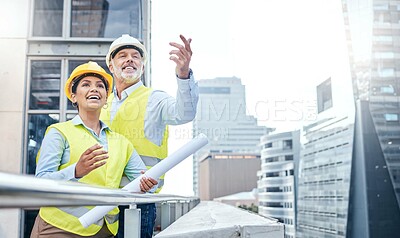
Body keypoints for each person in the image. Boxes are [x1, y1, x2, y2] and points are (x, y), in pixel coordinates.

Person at [31, 61, 158, 238]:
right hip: (59, 228)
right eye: (86, 85)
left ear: (106, 98)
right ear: (74, 96)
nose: (94, 89)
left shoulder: (121, 142)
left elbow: (146, 184)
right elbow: (41, 183)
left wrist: (147, 185)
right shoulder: (58, 132)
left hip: (104, 231)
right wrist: (75, 171)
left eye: (100, 86)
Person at [100, 34, 199, 237]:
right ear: (111, 66)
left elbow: (185, 113)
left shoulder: (155, 99)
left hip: (138, 200)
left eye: (135, 56)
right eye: (123, 56)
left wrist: (183, 74)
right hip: (102, 198)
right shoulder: (102, 104)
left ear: (142, 67)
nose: (130, 59)